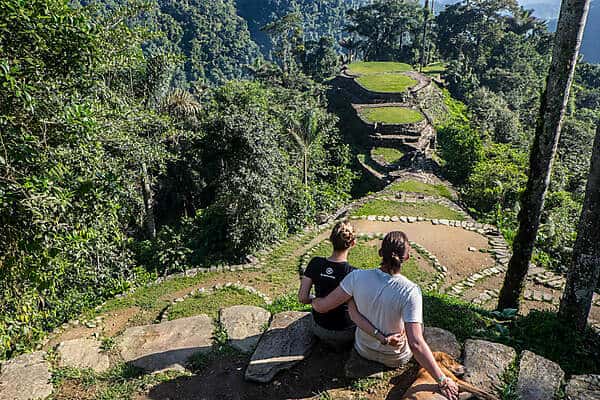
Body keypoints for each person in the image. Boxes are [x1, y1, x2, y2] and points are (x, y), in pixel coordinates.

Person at [312, 231, 460, 400]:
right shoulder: (410, 291)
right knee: (416, 325)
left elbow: (323, 307)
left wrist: (312, 300)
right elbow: (416, 343)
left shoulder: (356, 277)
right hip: (396, 357)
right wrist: (442, 380)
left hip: (364, 349)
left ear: (380, 253)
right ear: (407, 257)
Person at [298, 220, 357, 349]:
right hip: (346, 332)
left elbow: (302, 298)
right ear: (353, 243)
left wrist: (315, 300)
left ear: (331, 240)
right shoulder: (354, 273)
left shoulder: (315, 263)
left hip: (319, 328)